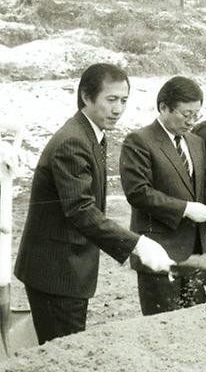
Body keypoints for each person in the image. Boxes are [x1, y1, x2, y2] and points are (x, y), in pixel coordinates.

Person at [14, 64, 174, 344]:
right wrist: (137, 243)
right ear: (87, 97)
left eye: (124, 100)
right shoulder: (73, 142)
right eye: (111, 99)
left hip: (66, 267)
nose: (118, 109)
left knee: (67, 350)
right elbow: (81, 210)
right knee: (64, 355)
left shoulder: (91, 134)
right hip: (55, 271)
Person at [120, 76, 206, 316]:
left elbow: (204, 183)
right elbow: (138, 192)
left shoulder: (196, 142)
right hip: (159, 251)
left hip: (194, 253)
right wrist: (185, 209)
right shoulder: (140, 141)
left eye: (196, 114)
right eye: (186, 114)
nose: (192, 121)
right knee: (164, 325)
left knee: (197, 323)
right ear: (164, 107)